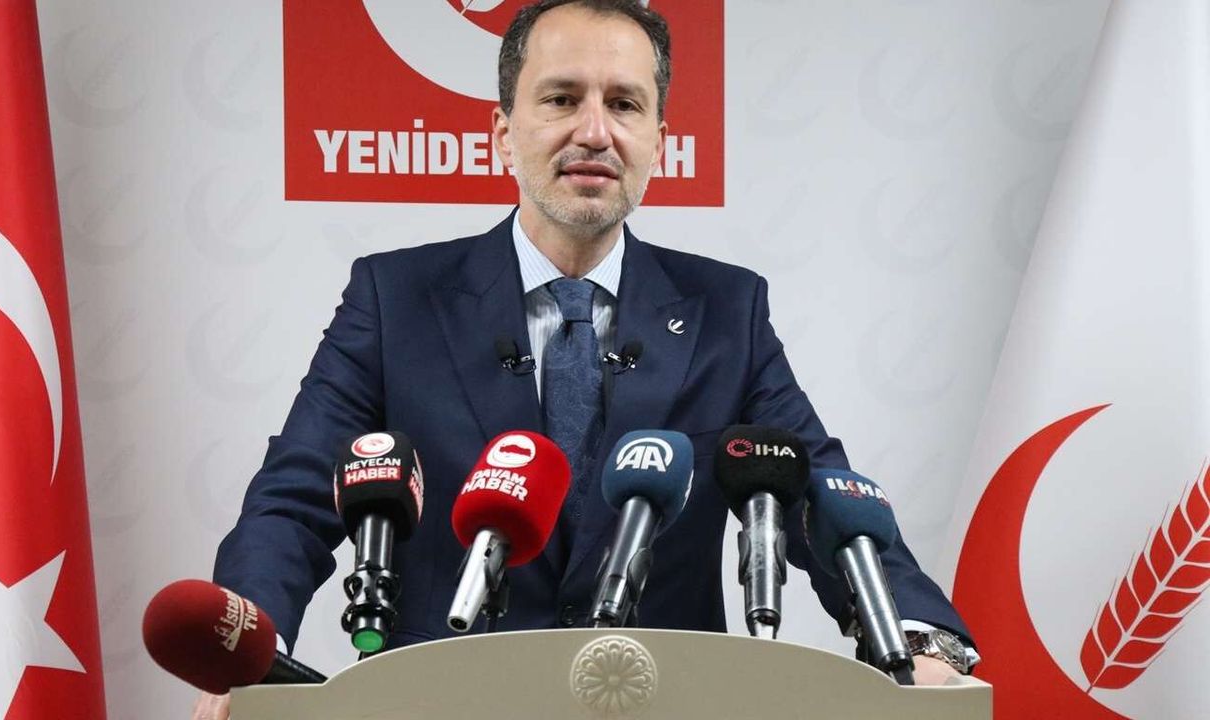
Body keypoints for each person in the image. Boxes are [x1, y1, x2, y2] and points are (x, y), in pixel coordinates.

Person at [192, 1, 973, 717]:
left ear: (659, 140)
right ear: (503, 131)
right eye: (562, 99)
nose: (594, 132)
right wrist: (249, 652)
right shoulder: (395, 299)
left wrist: (921, 642)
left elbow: (823, 500)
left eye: (624, 104)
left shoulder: (727, 312)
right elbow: (295, 500)